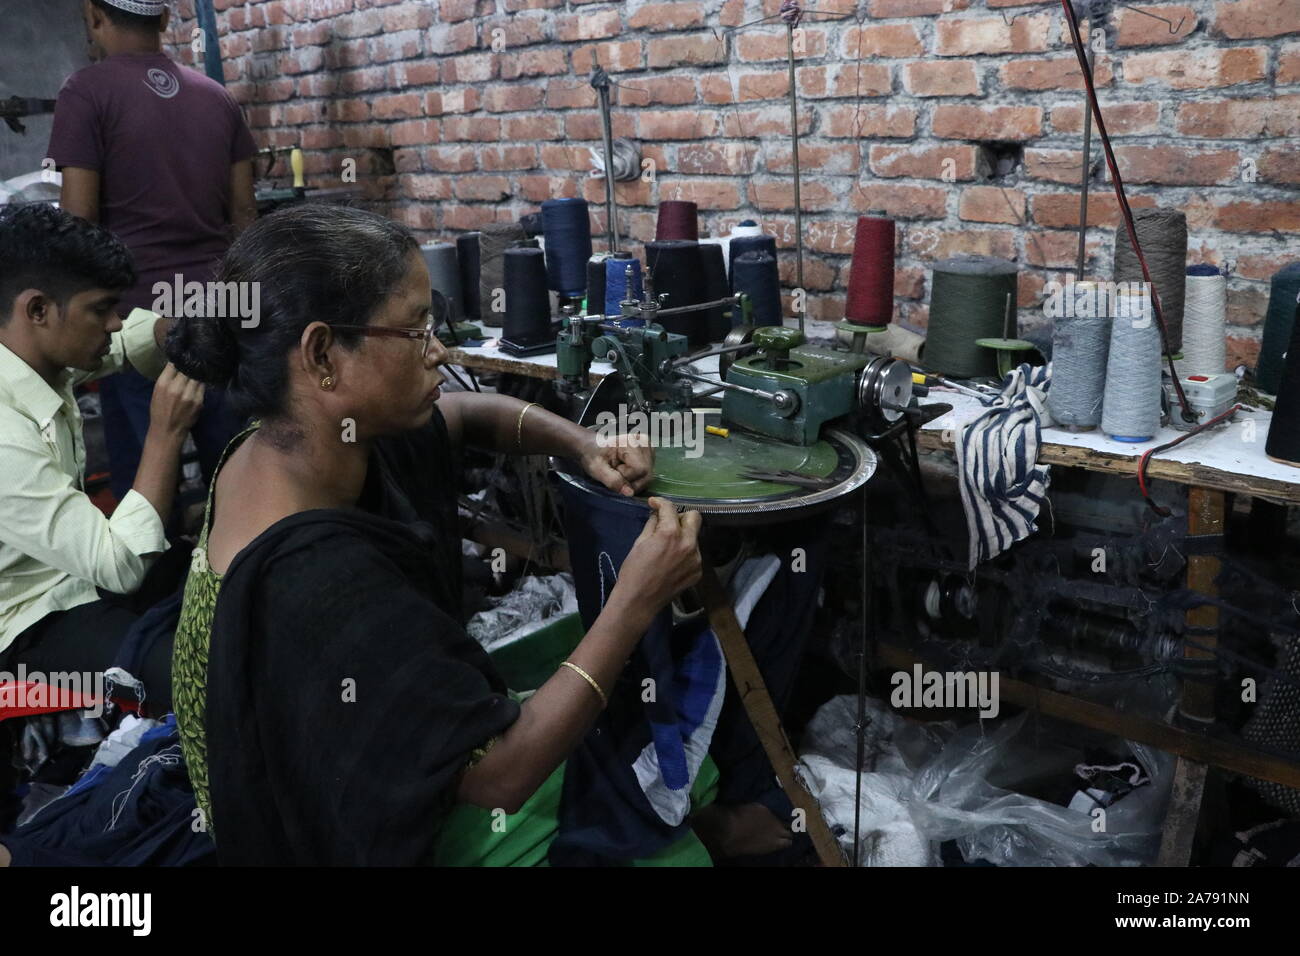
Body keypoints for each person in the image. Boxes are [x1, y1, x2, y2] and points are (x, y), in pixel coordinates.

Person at [164, 204, 703, 864]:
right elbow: (501, 776)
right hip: (329, 835)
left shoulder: (287, 447)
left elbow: (465, 413)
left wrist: (580, 442)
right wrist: (634, 603)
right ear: (323, 354)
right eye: (415, 329)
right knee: (671, 815)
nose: (439, 350)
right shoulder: (317, 575)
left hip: (321, 770)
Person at [49, 0, 258, 508]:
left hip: (136, 323)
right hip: (217, 312)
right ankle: (235, 578)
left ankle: (155, 585)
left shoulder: (86, 91)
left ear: (93, 15)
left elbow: (77, 225)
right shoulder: (218, 98)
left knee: (146, 492)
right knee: (234, 476)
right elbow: (246, 219)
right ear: (165, 20)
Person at [0, 203, 204, 714]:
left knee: (228, 577)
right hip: (26, 623)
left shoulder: (41, 356)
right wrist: (166, 432)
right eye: (101, 310)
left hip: (78, 579)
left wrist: (173, 333)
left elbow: (123, 342)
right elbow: (123, 566)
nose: (116, 323)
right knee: (195, 675)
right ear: (38, 310)